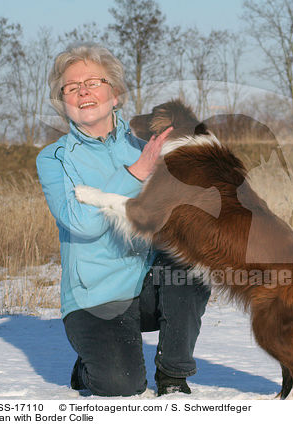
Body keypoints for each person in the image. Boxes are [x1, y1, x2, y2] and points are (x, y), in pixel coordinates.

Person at [36, 43, 211, 397]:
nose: (83, 90)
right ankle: (89, 365)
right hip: (95, 296)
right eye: (71, 87)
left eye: (94, 82)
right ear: (64, 101)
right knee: (121, 385)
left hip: (148, 285)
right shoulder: (53, 159)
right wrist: (136, 172)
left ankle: (173, 375)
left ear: (115, 94)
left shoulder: (147, 145)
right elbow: (81, 224)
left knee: (191, 262)